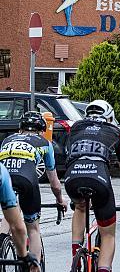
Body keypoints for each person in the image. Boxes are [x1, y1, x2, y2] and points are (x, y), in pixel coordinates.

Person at [65, 100, 120, 272]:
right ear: (110, 117)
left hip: (72, 178)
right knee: (108, 235)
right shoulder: (115, 132)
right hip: (99, 179)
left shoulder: (75, 128)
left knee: (80, 207)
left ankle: (76, 257)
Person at [0, 111, 67, 264]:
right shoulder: (45, 143)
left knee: (9, 213)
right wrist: (59, 200)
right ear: (42, 130)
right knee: (33, 229)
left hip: (5, 178)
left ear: (20, 129)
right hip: (27, 181)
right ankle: (33, 267)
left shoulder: (7, 140)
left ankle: (1, 244)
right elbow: (54, 182)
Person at [0, 162, 39, 271]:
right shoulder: (1, 170)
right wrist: (23, 256)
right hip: (26, 181)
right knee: (33, 229)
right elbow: (17, 227)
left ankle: (1, 240)